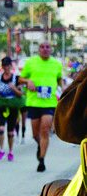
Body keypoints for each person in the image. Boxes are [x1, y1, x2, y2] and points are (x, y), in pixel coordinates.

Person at [19, 41, 64, 172]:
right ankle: (40, 145)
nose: (45, 49)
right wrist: (28, 80)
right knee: (35, 134)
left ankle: (42, 160)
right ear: (38, 50)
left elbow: (59, 80)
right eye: (42, 47)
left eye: (47, 47)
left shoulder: (56, 64)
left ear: (51, 50)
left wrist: (64, 91)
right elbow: (20, 79)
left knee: (45, 130)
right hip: (34, 102)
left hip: (49, 102)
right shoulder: (31, 62)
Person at [0, 56, 23, 161]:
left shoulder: (16, 78)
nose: (6, 68)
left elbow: (20, 94)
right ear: (2, 67)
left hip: (12, 104)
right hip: (1, 104)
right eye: (4, 66)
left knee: (10, 132)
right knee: (1, 128)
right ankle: (1, 149)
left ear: (10, 66)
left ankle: (11, 151)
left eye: (8, 65)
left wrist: (14, 88)